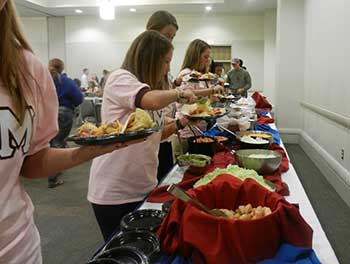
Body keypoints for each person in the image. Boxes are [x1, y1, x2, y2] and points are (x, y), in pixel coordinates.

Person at [0, 1, 140, 262]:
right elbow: (78, 98)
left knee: (60, 141)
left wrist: (91, 150)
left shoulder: (26, 68)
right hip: (68, 115)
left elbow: (31, 162)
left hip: (18, 249)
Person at [88, 30, 197, 241]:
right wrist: (180, 93)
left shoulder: (148, 89)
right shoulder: (121, 78)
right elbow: (151, 100)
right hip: (115, 189)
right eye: (165, 62)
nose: (167, 68)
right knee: (124, 252)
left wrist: (181, 122)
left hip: (142, 184)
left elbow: (155, 134)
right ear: (151, 59)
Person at [146, 10, 179, 181]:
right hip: (144, 155)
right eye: (166, 35)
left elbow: (156, 114)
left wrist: (170, 121)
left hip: (161, 142)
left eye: (172, 38)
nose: (168, 41)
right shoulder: (127, 77)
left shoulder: (162, 72)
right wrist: (179, 94)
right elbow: (150, 102)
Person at [48, 58, 84, 188]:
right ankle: (53, 177)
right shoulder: (67, 81)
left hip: (47, 113)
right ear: (62, 68)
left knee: (51, 142)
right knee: (58, 143)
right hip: (63, 113)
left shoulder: (45, 79)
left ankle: (52, 169)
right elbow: (79, 98)